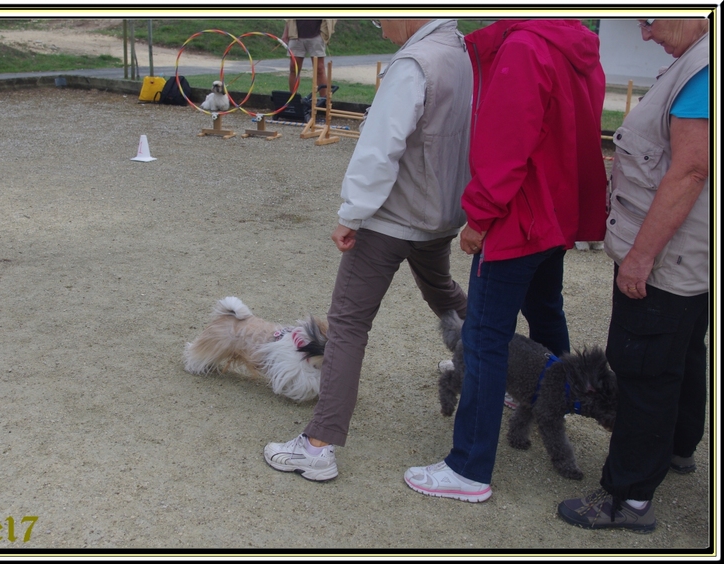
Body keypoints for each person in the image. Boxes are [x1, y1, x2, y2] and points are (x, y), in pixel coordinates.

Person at [402, 19, 608, 502]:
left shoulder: (524, 49)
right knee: (545, 310)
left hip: (519, 217)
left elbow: (505, 145)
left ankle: (469, 467)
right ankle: (560, 403)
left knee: (483, 339)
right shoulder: (575, 46)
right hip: (552, 212)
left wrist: (480, 217)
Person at [264, 19, 473, 481]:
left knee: (348, 324)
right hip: (440, 209)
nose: (379, 25)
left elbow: (380, 147)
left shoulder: (413, 64)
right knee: (442, 289)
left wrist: (351, 213)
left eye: (383, 15)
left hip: (392, 214)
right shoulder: (462, 52)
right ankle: (492, 367)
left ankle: (318, 444)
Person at [559, 18, 709, 533]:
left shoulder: (702, 68)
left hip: (669, 258)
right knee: (683, 352)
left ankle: (627, 497)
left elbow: (691, 170)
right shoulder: (698, 60)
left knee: (644, 371)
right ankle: (678, 448)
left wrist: (642, 256)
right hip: (690, 260)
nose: (644, 32)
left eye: (650, 19)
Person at [282, 19, 335, 98]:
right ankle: (292, 100)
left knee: (319, 69)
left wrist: (325, 32)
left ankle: (324, 102)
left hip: (317, 35)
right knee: (294, 68)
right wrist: (286, 32)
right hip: (295, 34)